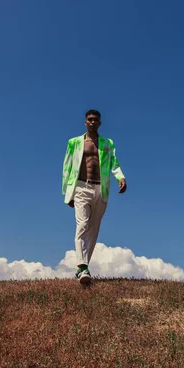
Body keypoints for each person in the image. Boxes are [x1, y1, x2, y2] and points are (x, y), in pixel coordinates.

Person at [62, 110, 127, 285]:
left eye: (95, 120)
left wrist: (120, 177)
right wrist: (67, 193)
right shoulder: (74, 143)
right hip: (81, 187)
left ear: (100, 123)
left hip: (101, 188)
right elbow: (67, 168)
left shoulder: (107, 143)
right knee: (82, 224)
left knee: (93, 229)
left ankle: (83, 269)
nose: (92, 122)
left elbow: (114, 162)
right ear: (85, 122)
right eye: (89, 120)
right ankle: (82, 266)